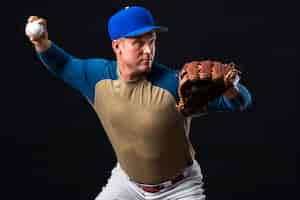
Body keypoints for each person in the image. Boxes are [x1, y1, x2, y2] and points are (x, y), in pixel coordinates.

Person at [26, 6, 252, 200]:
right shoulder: (95, 78)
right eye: (138, 42)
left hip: (179, 189)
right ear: (117, 46)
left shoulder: (173, 84)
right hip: (127, 185)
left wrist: (231, 88)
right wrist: (41, 41)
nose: (148, 51)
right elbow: (63, 65)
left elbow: (239, 102)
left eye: (151, 42)